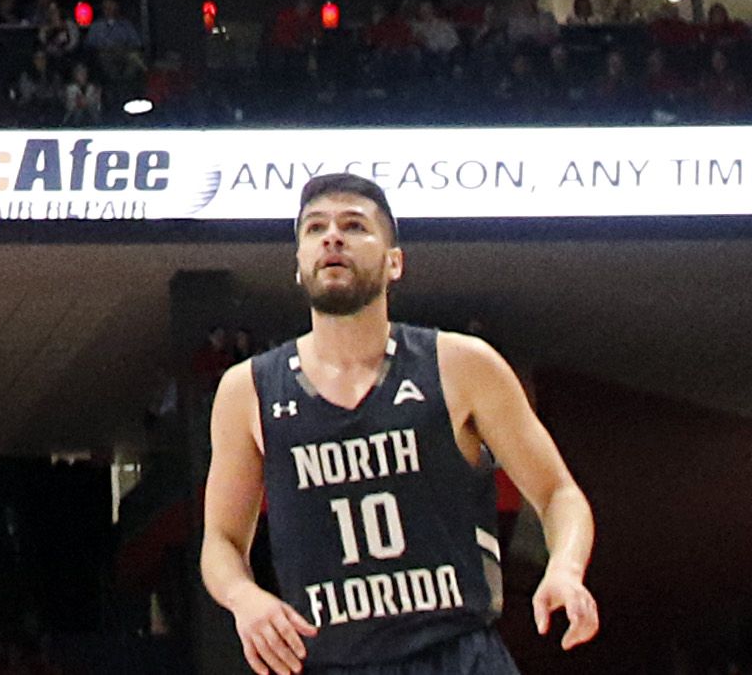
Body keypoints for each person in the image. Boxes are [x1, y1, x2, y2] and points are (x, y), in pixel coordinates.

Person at [201, 174, 598, 675]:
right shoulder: (249, 389)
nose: (332, 237)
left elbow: (559, 493)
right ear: (299, 267)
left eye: (354, 226)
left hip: (458, 655)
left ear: (394, 262)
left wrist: (564, 568)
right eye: (314, 228)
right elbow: (221, 540)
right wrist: (243, 598)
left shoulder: (461, 364)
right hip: (329, 660)